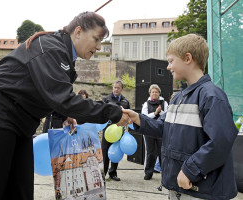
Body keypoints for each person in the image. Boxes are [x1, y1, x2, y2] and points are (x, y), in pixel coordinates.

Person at [0, 11, 131, 200]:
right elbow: (63, 98)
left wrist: (63, 114)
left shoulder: (63, 53)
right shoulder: (52, 48)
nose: (99, 47)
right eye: (96, 39)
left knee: (21, 192)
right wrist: (112, 112)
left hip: (19, 124)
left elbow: (45, 92)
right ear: (78, 32)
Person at [122, 34, 238, 200]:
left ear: (188, 58)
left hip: (202, 192)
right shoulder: (178, 97)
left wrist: (189, 171)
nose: (168, 67)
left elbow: (220, 142)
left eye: (171, 61)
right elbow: (164, 127)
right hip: (179, 188)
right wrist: (137, 118)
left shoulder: (211, 96)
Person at [101, 80, 130, 181]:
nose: (116, 89)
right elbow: (101, 112)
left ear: (122, 89)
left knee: (116, 151)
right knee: (104, 152)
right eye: (114, 87)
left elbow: (128, 115)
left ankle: (113, 173)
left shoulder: (125, 101)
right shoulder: (106, 99)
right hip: (108, 130)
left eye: (118, 87)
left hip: (119, 130)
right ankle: (103, 173)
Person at [141, 84, 168, 180]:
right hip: (149, 131)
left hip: (161, 131)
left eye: (156, 92)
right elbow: (144, 117)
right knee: (151, 152)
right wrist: (155, 113)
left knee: (162, 152)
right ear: (150, 93)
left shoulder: (164, 103)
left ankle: (164, 174)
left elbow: (167, 115)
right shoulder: (146, 104)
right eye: (153, 92)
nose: (154, 93)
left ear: (159, 93)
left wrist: (160, 112)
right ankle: (148, 172)